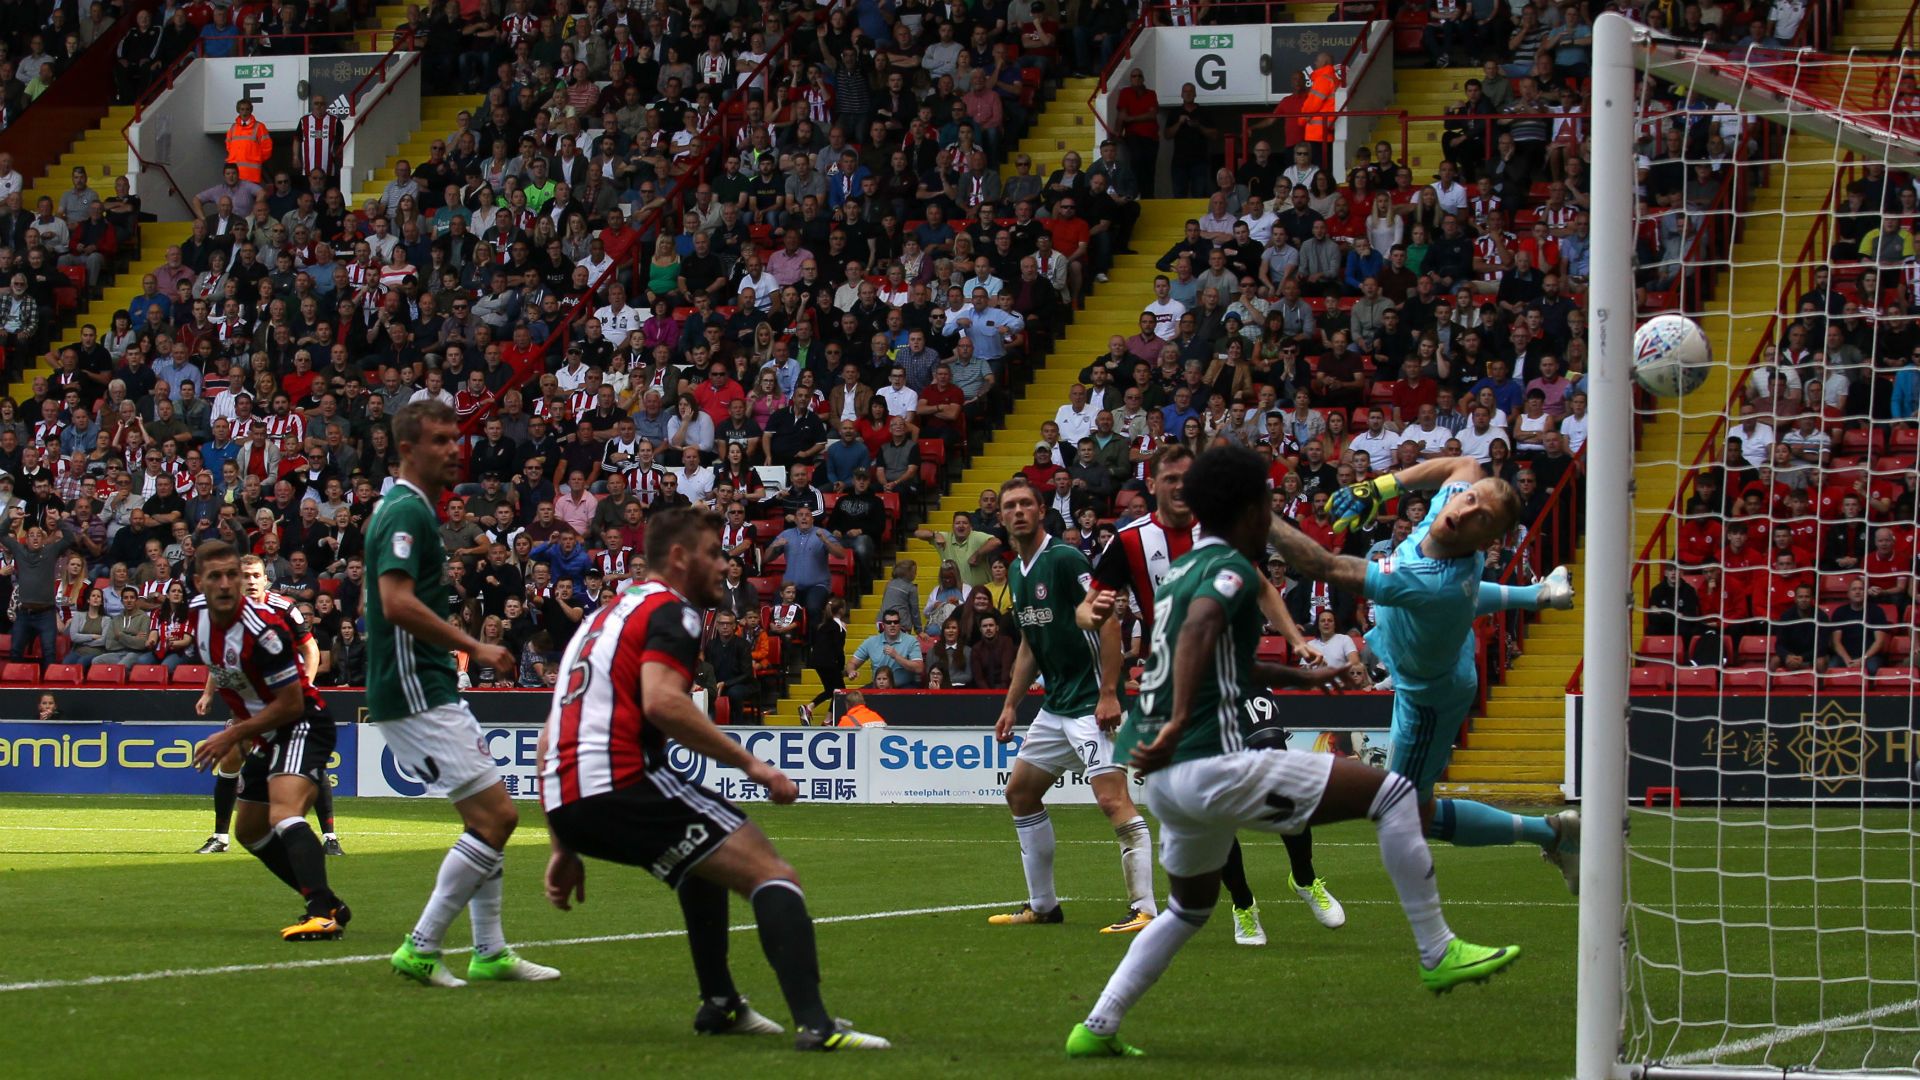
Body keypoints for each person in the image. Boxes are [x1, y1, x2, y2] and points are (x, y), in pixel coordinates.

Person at [1066, 445, 1520, 1060]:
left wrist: (1297, 676)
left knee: (1188, 910)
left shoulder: (1183, 570)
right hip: (1207, 762)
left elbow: (1220, 654)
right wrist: (1175, 722)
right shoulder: (1228, 568)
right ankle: (1438, 951)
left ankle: (1096, 1026)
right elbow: (1201, 630)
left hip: (1169, 781)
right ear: (1252, 508)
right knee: (1394, 794)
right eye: (1269, 503)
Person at [538, 507, 890, 1051]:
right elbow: (663, 703)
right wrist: (753, 765)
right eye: (713, 554)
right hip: (618, 779)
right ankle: (817, 1026)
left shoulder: (601, 619)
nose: (725, 566)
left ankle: (720, 1002)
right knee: (772, 873)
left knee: (701, 864)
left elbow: (549, 735)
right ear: (680, 558)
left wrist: (564, 842)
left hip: (568, 794)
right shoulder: (672, 612)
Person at [1266, 452, 1581, 889]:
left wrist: (1257, 517)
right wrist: (1380, 487)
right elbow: (1464, 464)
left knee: (1406, 812)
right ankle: (1537, 594)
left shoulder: (1427, 578)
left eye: (1480, 518)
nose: (1464, 510)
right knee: (1460, 600)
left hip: (1428, 698)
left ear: (1486, 542)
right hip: (1437, 646)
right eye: (1469, 499)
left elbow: (1324, 565)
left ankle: (1554, 833)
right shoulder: (1453, 513)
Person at [1089, 443, 1343, 941]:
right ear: (1153, 484)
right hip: (1182, 685)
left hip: (1240, 671)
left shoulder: (1220, 529)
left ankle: (1305, 877)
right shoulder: (1129, 540)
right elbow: (1094, 606)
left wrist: (1296, 640)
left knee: (1278, 772)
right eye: (1171, 478)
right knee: (1214, 804)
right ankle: (1243, 905)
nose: (1181, 486)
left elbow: (1261, 586)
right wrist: (1094, 637)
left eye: (1190, 477)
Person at [366, 401, 559, 986]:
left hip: (428, 684)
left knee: (488, 817)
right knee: (497, 817)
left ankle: (489, 951)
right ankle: (422, 947)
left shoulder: (414, 510)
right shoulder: (406, 511)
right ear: (407, 450)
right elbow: (395, 602)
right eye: (440, 440)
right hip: (415, 688)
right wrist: (474, 646)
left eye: (456, 438)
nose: (455, 449)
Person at [985, 476, 1157, 934]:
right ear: (1001, 517)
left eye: (1026, 504)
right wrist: (1010, 705)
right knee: (1020, 794)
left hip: (1091, 701)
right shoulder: (1017, 571)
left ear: (1041, 511)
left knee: (1112, 800)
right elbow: (1029, 643)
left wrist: (1109, 693)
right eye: (1010, 506)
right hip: (1057, 704)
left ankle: (1145, 909)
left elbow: (1108, 621)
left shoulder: (1064, 558)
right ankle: (1043, 906)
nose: (1018, 512)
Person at [186, 541, 349, 942]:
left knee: (284, 812)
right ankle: (329, 902)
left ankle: (320, 914)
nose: (227, 584)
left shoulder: (264, 632)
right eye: (216, 576)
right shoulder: (198, 614)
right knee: (250, 832)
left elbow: (291, 704)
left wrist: (233, 733)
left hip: (302, 722)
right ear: (199, 583)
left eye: (233, 575)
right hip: (264, 730)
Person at [196, 554, 341, 856]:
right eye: (244, 576)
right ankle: (220, 837)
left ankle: (330, 837)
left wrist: (305, 688)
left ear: (265, 579)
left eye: (255, 576)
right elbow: (219, 659)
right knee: (231, 759)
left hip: (285, 698)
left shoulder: (284, 609)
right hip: (250, 701)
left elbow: (311, 649)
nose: (250, 581)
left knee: (311, 763)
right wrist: (208, 693)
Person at [225, 98, 273, 185]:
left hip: (251, 174)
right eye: (242, 109)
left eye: (247, 109)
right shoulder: (233, 127)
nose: (244, 112)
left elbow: (267, 148)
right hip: (235, 173)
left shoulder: (259, 127)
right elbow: (229, 146)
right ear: (238, 110)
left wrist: (257, 159)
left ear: (251, 110)